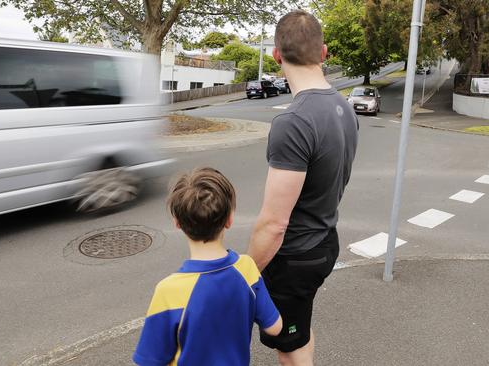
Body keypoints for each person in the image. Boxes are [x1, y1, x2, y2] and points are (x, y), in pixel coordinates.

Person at [247, 10, 359, 366]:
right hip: (325, 241)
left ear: (277, 55)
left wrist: (245, 274)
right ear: (323, 52)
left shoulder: (294, 122)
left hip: (296, 256)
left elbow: (274, 224)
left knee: (289, 346)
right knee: (301, 330)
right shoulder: (345, 107)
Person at [133, 167, 282, 366]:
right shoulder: (246, 269)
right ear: (229, 220)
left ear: (177, 222)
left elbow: (149, 360)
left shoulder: (169, 291)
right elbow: (275, 327)